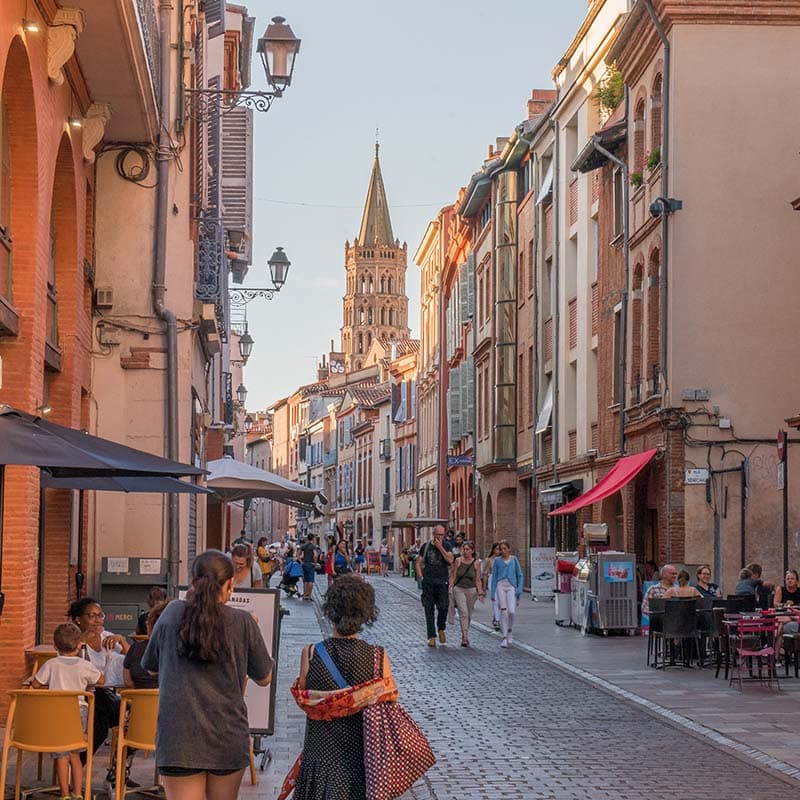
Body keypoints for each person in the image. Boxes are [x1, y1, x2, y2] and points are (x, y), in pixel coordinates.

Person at [142, 550, 272, 800]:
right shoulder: (243, 622)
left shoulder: (170, 614)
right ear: (230, 584)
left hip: (179, 736)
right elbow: (264, 677)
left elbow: (150, 665)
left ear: (193, 582)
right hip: (226, 735)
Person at [293, 574, 389, 799]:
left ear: (330, 611)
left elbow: (306, 699)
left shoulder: (311, 654)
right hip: (360, 762)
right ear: (365, 615)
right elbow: (387, 704)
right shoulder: (378, 657)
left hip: (319, 759)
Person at [32, 622, 103, 800]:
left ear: (55, 645)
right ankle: (78, 793)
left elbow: (36, 683)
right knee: (75, 755)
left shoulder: (51, 664)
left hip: (57, 713)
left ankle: (64, 794)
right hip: (79, 712)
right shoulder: (83, 665)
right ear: (80, 645)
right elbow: (102, 680)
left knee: (61, 756)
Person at [67, 598, 129, 756]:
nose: (97, 620)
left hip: (105, 696)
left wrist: (121, 640)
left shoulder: (107, 637)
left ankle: (79, 766)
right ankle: (114, 770)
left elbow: (133, 661)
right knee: (110, 719)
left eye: (100, 615)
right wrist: (82, 642)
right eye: (92, 616)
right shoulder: (71, 642)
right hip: (81, 697)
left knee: (103, 721)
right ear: (78, 620)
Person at [415, 524, 454, 647]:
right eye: (438, 535)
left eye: (442, 535)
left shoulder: (447, 545)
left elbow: (450, 560)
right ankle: (431, 636)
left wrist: (440, 547)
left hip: (442, 582)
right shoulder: (426, 546)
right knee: (428, 609)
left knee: (444, 607)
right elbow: (418, 562)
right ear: (433, 534)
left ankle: (441, 627)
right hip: (429, 582)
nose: (440, 537)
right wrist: (421, 577)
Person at [449, 541, 485, 647]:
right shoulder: (458, 561)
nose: (465, 551)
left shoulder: (476, 563)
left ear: (472, 551)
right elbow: (453, 575)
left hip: (471, 590)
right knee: (463, 612)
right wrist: (450, 587)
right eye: (464, 549)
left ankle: (465, 631)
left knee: (468, 614)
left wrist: (480, 591)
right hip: (459, 589)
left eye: (467, 549)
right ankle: (465, 636)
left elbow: (478, 579)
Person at [489, 541, 523, 648]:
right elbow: (494, 577)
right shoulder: (497, 561)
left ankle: (510, 630)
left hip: (511, 585)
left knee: (511, 611)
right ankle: (504, 637)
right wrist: (492, 592)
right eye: (501, 549)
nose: (503, 551)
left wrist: (519, 589)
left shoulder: (514, 560)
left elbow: (520, 575)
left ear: (509, 549)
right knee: (503, 611)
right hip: (500, 585)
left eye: (505, 549)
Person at [483, 543, 501, 629]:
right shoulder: (489, 560)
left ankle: (496, 616)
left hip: (501, 580)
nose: (499, 551)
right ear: (493, 549)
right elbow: (485, 574)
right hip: (492, 579)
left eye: (500, 549)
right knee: (495, 600)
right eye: (497, 549)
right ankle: (497, 620)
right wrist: (483, 588)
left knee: (501, 602)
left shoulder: (503, 559)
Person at [300, 534, 318, 601]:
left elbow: (298, 554)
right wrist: (315, 563)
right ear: (313, 538)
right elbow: (315, 555)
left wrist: (301, 561)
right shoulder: (313, 546)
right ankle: (309, 595)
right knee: (310, 581)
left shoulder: (304, 546)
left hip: (304, 564)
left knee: (305, 581)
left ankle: (305, 595)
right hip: (311, 564)